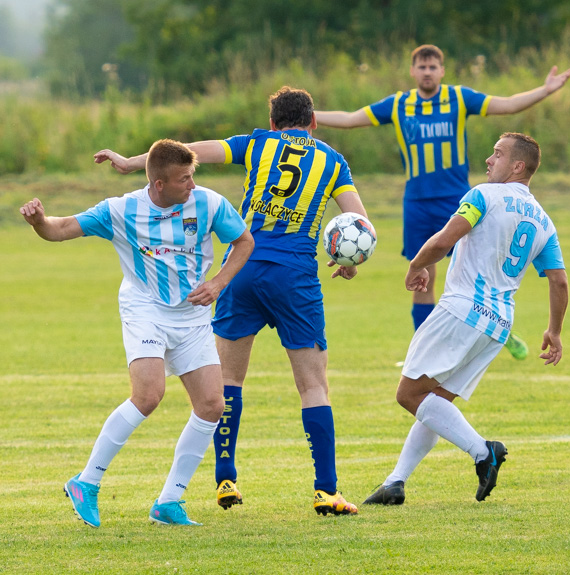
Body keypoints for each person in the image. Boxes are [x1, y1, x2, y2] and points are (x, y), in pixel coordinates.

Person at [94, 86, 369, 516]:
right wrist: (347, 257)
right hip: (295, 276)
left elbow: (192, 151)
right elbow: (358, 221)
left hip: (241, 269)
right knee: (313, 384)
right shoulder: (333, 161)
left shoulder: (258, 143)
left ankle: (225, 479)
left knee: (228, 381)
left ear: (274, 123)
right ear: (313, 123)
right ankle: (326, 490)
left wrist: (132, 163)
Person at [20, 139, 254, 527]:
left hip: (192, 316)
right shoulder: (121, 210)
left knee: (213, 405)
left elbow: (244, 241)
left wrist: (219, 282)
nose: (192, 185)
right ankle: (86, 482)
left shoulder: (209, 203)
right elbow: (60, 229)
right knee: (148, 395)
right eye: (184, 180)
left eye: (193, 176)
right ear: (159, 184)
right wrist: (39, 223)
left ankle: (168, 502)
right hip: (145, 309)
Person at [315, 44, 570, 360]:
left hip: (458, 199)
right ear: (413, 72)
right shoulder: (399, 103)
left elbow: (507, 105)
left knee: (473, 268)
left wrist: (544, 91)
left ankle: (492, 326)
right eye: (421, 67)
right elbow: (351, 118)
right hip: (417, 202)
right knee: (425, 274)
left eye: (433, 66)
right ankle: (422, 350)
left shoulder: (459, 98)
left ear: (442, 70)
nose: (427, 72)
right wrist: (306, 117)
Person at [363, 132, 568, 505]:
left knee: (409, 394)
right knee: (438, 400)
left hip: (462, 309)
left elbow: (444, 239)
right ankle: (395, 482)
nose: (489, 160)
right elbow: (559, 280)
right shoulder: (544, 221)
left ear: (518, 166)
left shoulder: (483, 196)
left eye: (498, 154)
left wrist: (417, 265)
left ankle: (482, 451)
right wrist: (554, 331)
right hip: (498, 325)